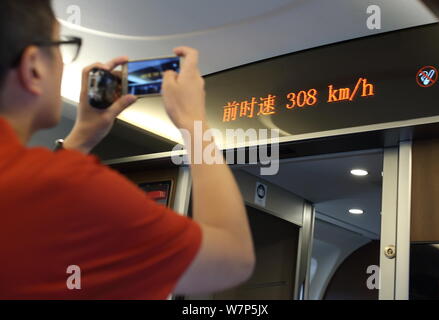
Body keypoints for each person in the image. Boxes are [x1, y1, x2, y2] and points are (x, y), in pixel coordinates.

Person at [0, 0, 255, 299]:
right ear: (33, 67)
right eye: (60, 46)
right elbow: (231, 260)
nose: (62, 62)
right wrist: (193, 122)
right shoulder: (70, 185)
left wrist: (81, 138)